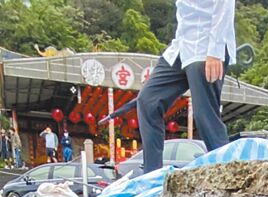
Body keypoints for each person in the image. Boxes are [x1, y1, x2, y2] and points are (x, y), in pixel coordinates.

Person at [100, 0, 236, 174]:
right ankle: (152, 174)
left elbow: (224, 4)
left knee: (205, 115)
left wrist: (215, 51)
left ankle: (227, 172)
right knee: (148, 100)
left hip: (206, 46)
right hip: (181, 47)